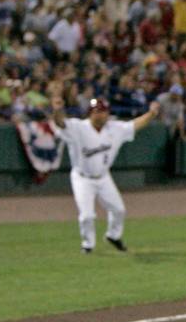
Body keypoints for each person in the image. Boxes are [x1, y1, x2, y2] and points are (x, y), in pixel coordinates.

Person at [50, 96, 160, 253]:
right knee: (87, 215)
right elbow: (60, 123)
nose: (100, 114)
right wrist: (57, 110)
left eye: (103, 111)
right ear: (90, 113)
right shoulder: (78, 127)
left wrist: (152, 113)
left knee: (119, 210)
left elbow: (135, 125)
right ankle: (88, 245)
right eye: (96, 111)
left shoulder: (115, 129)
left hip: (103, 177)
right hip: (82, 178)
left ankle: (113, 236)